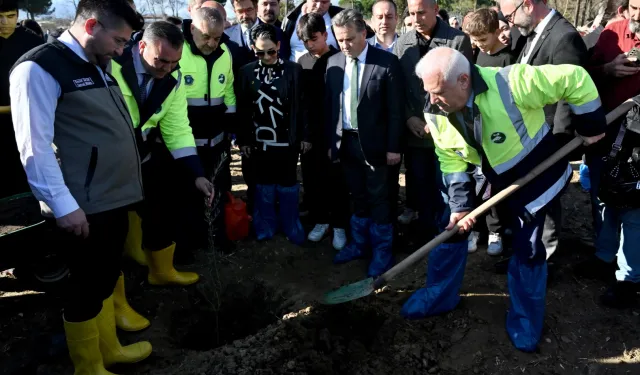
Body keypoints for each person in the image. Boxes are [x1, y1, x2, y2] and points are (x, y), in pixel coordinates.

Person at [403, 47, 606, 352]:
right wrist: (461, 207)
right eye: (428, 92)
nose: (432, 100)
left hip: (533, 175)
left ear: (463, 80)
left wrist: (591, 126)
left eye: (438, 92)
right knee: (451, 230)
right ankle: (439, 296)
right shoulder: (436, 108)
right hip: (485, 172)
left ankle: (525, 321)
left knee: (529, 248)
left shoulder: (514, 83)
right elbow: (449, 157)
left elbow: (575, 78)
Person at [9, 0, 152, 372]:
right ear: (91, 26)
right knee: (85, 288)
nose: (122, 51)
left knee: (103, 278)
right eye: (119, 41)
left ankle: (111, 350)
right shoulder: (38, 68)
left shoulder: (98, 63)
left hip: (112, 197)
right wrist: (63, 206)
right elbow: (34, 146)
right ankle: (89, 367)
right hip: (82, 206)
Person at [112, 20, 210, 286]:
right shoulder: (111, 64)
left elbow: (177, 129)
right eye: (161, 61)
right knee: (108, 232)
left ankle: (161, 271)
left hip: (142, 156)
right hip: (107, 162)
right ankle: (116, 298)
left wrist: (197, 174)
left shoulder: (173, 79)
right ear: (142, 46)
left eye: (174, 63)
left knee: (162, 208)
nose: (167, 69)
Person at [499, 0, 588, 264]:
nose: (510, 22)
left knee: (546, 200)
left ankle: (545, 261)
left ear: (527, 4)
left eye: (510, 15)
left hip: (548, 139)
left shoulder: (564, 38)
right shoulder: (533, 34)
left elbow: (569, 96)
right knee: (529, 198)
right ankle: (525, 252)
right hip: (528, 136)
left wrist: (558, 145)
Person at [326, 9, 403, 277]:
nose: (344, 45)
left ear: (363, 33)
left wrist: (394, 146)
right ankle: (360, 244)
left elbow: (395, 110)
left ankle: (382, 250)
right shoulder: (334, 62)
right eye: (339, 39)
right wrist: (331, 141)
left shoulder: (386, 63)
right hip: (345, 141)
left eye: (349, 39)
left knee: (379, 197)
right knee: (357, 194)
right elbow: (331, 106)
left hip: (377, 145)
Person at [394, 0, 473, 247]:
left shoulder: (457, 41)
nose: (416, 18)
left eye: (422, 12)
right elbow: (399, 87)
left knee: (446, 184)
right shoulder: (402, 43)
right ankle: (424, 230)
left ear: (435, 10)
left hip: (447, 129)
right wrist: (409, 117)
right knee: (418, 182)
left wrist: (436, 119)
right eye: (412, 13)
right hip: (414, 130)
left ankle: (447, 232)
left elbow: (464, 87)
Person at [578, 0, 640, 282]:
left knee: (634, 209)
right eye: (635, 8)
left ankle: (628, 276)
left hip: (638, 143)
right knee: (604, 197)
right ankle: (604, 256)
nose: (638, 16)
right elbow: (583, 75)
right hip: (608, 133)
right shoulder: (613, 32)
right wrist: (608, 70)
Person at [236, 23, 307, 244]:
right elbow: (242, 108)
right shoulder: (246, 72)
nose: (266, 56)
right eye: (260, 52)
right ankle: (265, 226)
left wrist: (304, 135)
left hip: (286, 138)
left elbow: (302, 105)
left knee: (287, 183)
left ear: (278, 46)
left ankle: (290, 225)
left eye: (271, 51)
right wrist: (244, 138)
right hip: (259, 139)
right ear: (252, 49)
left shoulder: (293, 70)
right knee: (263, 184)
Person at [180, 7, 237, 252]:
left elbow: (229, 89)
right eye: (206, 37)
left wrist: (231, 123)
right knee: (188, 193)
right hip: (186, 139)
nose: (212, 43)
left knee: (220, 187)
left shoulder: (225, 52)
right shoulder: (179, 52)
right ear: (192, 28)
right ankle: (190, 242)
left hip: (218, 138)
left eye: (217, 37)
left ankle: (217, 237)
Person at [297, 12, 349, 250]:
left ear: (326, 34)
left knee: (336, 180)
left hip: (336, 131)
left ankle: (339, 224)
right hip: (310, 134)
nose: (310, 44)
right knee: (312, 178)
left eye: (314, 39)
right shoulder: (302, 62)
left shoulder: (340, 59)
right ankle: (321, 220)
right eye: (305, 40)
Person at [0, 0, 44, 199]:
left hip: (28, 120)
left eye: (10, 16)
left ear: (17, 15)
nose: (4, 22)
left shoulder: (32, 42)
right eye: (0, 17)